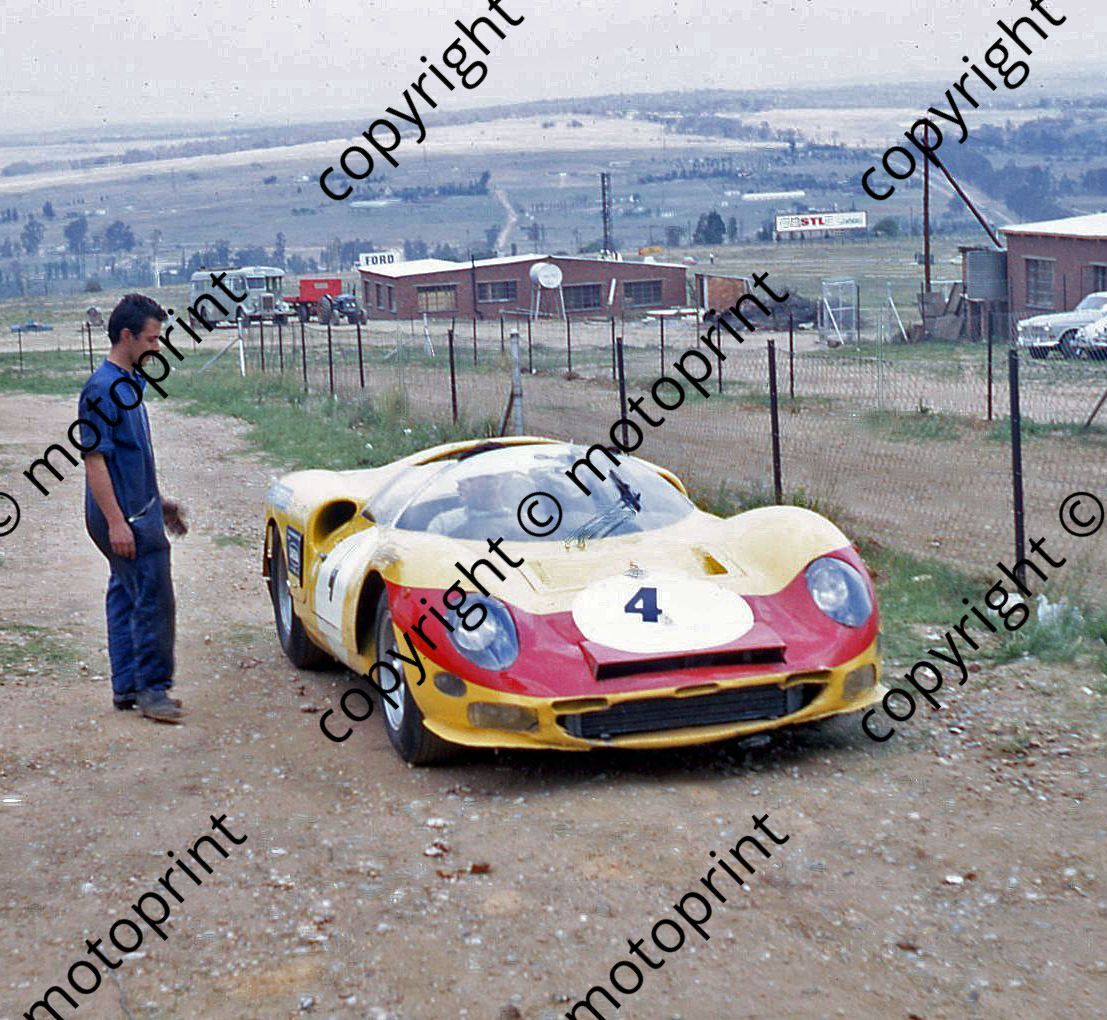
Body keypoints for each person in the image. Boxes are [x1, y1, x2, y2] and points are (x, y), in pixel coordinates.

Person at [79, 294, 188, 723]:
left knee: (126, 595)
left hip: (135, 509)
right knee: (153, 598)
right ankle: (153, 691)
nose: (157, 347)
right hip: (122, 517)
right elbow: (95, 459)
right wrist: (116, 524)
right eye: (151, 338)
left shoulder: (127, 384)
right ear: (127, 336)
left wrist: (157, 501)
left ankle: (127, 687)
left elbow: (130, 456)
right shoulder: (102, 389)